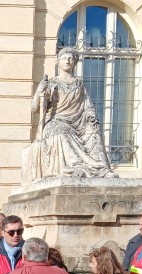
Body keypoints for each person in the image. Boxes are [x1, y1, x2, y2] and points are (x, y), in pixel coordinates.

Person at [27, 47, 115, 181]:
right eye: (64, 58)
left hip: (79, 122)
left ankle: (102, 169)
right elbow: (34, 108)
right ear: (58, 61)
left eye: (70, 58)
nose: (67, 61)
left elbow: (87, 104)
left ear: (75, 62)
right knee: (61, 131)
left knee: (94, 133)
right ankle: (76, 167)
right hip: (57, 121)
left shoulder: (79, 84)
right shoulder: (52, 84)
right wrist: (39, 91)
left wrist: (91, 117)